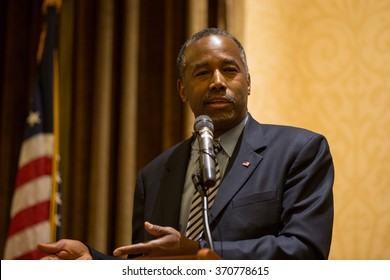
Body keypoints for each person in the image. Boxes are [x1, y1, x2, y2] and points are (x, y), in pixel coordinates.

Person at [38, 27, 334, 260]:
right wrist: (95, 261)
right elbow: (151, 265)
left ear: (248, 83)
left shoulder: (299, 150)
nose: (217, 81)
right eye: (203, 72)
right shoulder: (154, 175)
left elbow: (304, 251)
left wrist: (199, 251)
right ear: (182, 90)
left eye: (230, 70)